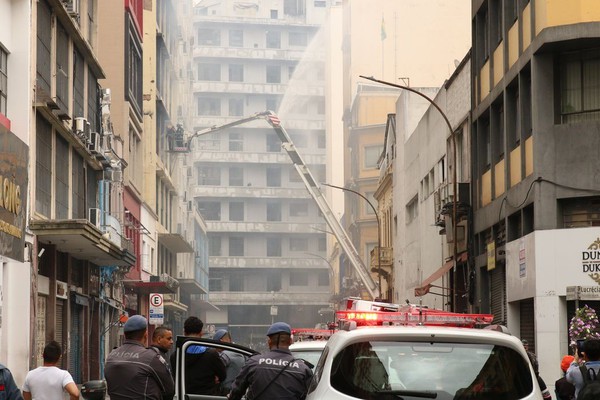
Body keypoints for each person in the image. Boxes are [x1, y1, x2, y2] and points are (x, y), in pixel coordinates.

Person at [228, 322, 313, 400]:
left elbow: (236, 392)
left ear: (269, 342)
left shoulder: (254, 362)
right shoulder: (303, 369)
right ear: (290, 341)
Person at [104, 315, 174, 400]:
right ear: (145, 335)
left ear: (125, 335)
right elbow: (169, 390)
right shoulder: (151, 357)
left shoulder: (111, 356)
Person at [170, 316, 225, 395]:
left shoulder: (176, 356)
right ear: (201, 333)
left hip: (184, 396)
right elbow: (222, 375)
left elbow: (175, 378)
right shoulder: (211, 354)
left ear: (184, 332)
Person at [213, 329, 245, 394]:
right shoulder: (239, 351)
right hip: (238, 390)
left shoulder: (226, 354)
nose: (215, 349)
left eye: (215, 346)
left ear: (221, 341)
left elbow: (216, 370)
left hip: (226, 391)